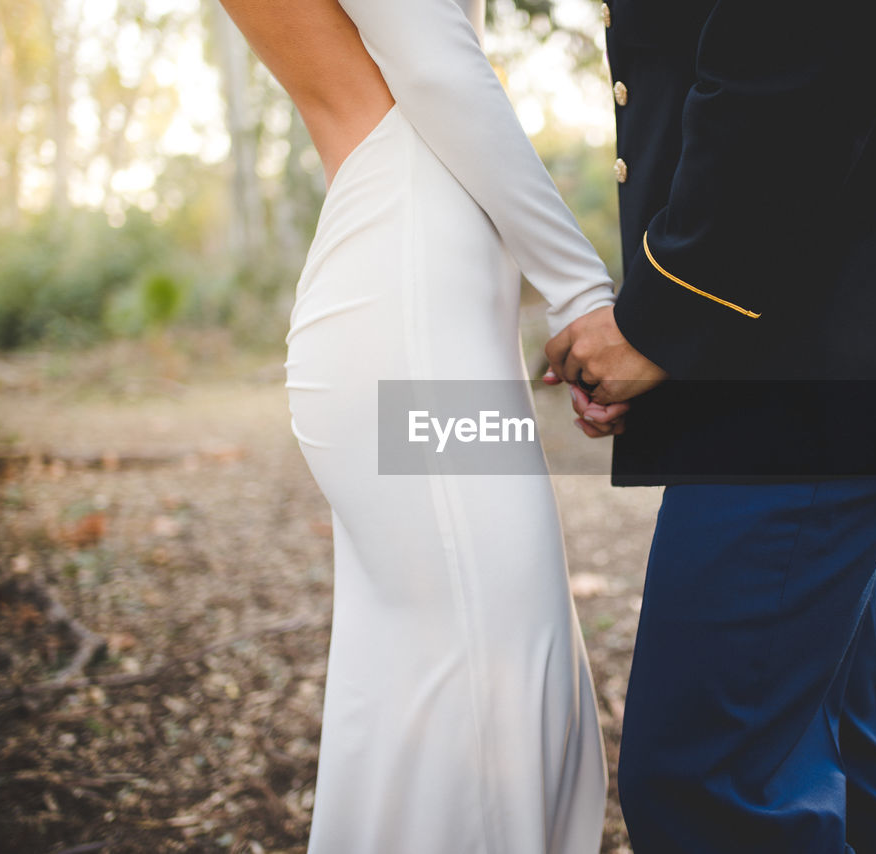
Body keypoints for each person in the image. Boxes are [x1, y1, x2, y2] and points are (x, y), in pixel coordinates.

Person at [544, 1, 876, 852]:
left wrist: (666, 310)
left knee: (707, 782)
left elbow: (805, 36)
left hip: (805, 347)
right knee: (811, 742)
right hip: (798, 344)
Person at [215, 1, 615, 851]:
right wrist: (581, 289)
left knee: (437, 684)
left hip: (427, 312)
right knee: (491, 686)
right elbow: (436, 68)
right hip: (411, 318)